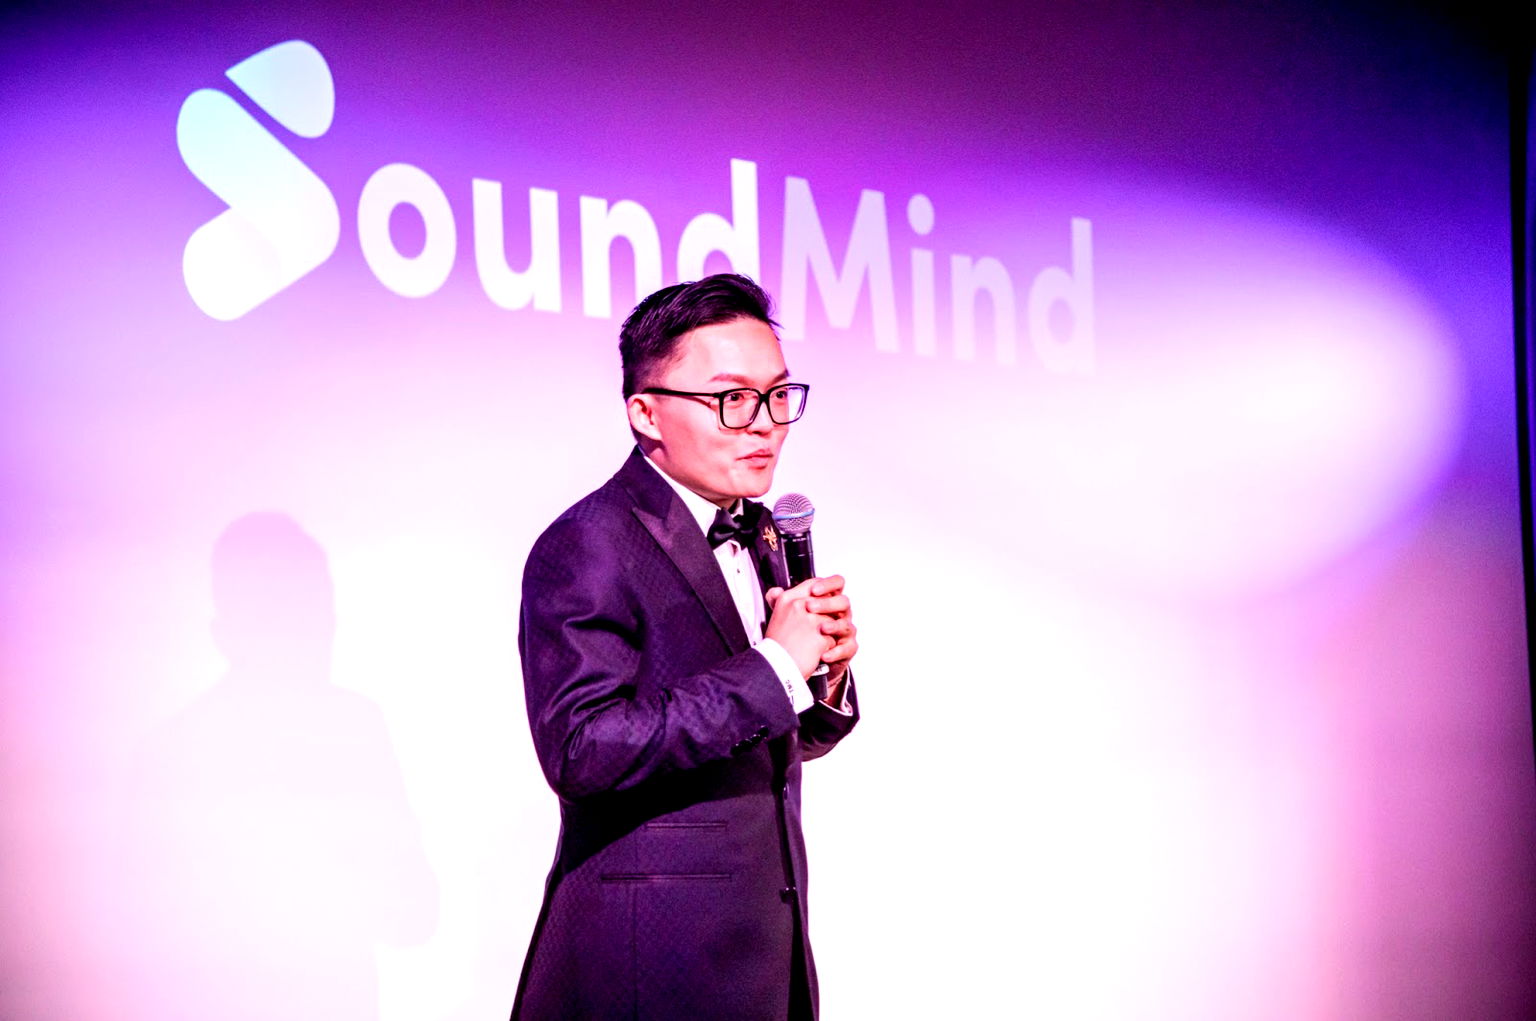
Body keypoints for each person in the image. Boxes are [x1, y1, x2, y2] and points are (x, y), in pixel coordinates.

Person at [511, 273, 860, 1020]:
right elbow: (581, 750)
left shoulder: (762, 532)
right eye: (731, 399)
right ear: (646, 413)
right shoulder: (589, 543)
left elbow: (759, 743)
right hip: (644, 969)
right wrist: (774, 665)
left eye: (777, 395)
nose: (764, 425)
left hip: (762, 959)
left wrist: (820, 677)